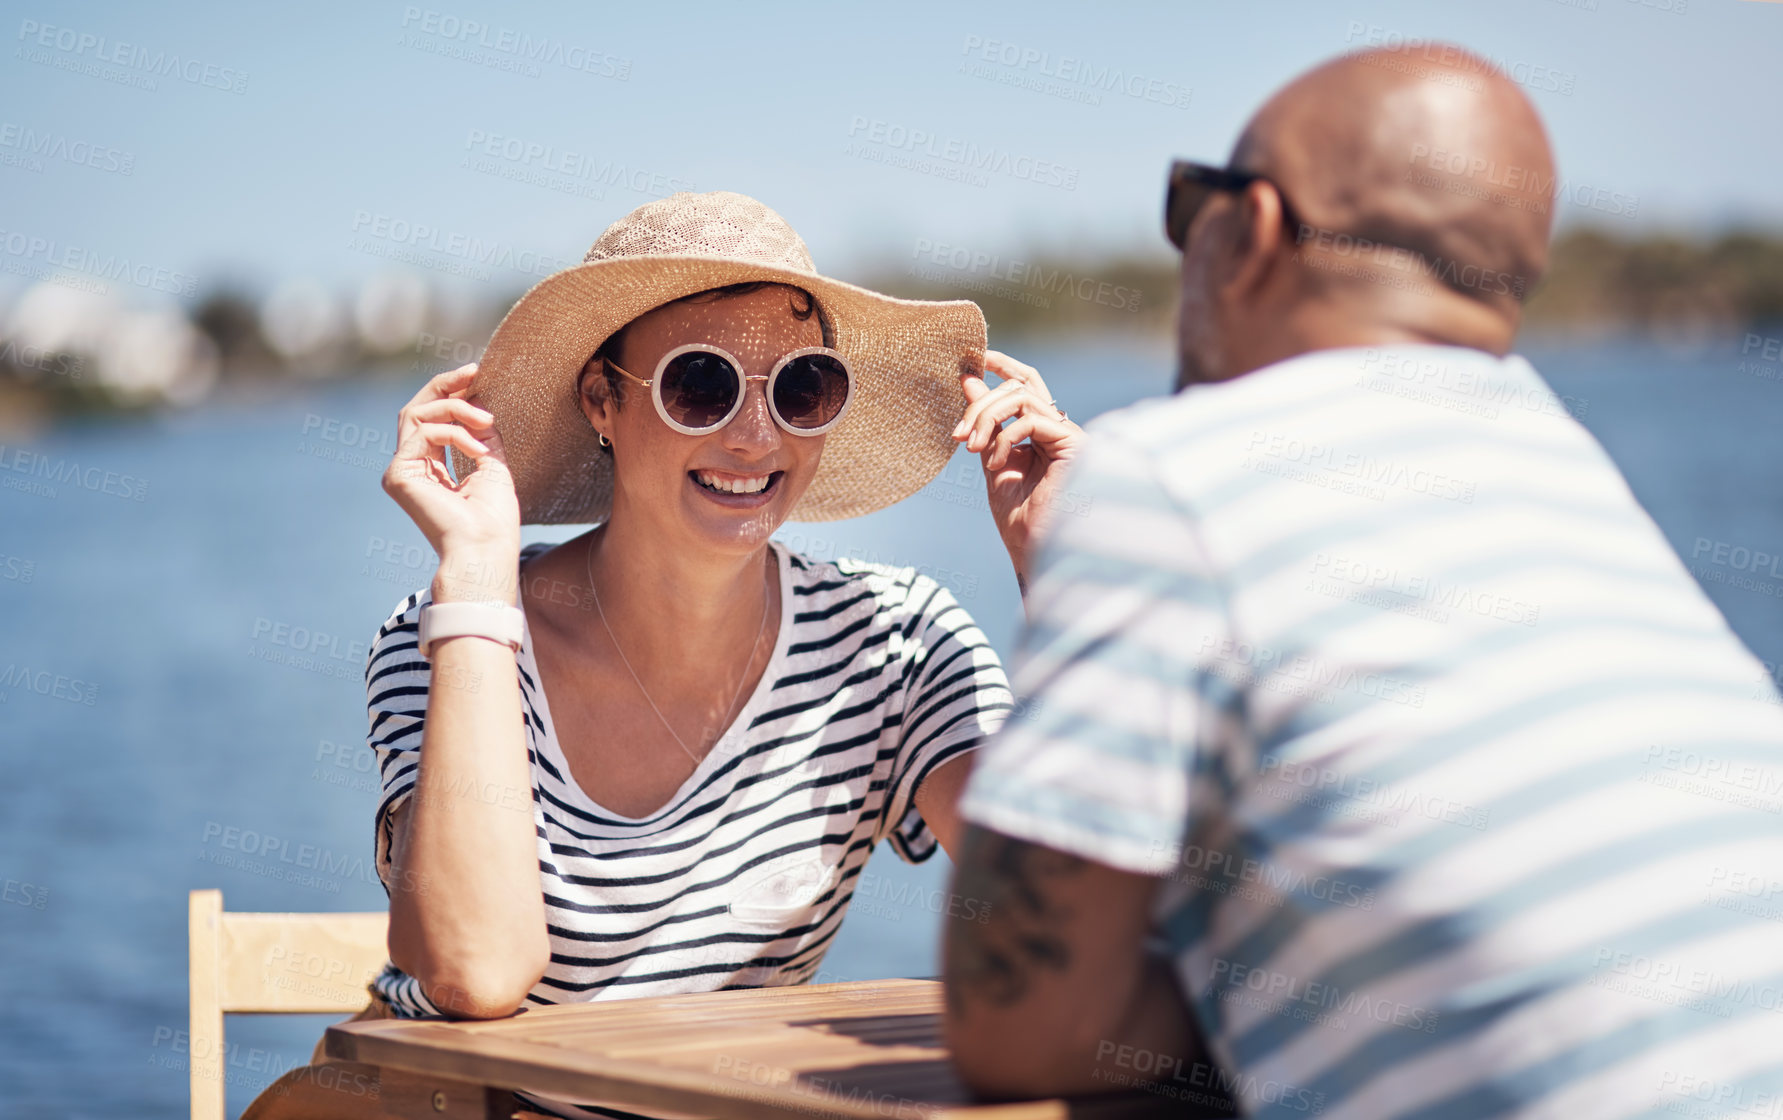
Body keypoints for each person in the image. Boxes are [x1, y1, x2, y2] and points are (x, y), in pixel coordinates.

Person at [941, 45, 1783, 1119]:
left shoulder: (1173, 466)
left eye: (1185, 206)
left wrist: (1283, 997)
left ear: (1243, 232)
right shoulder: (1568, 475)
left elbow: (1024, 1025)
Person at [243, 190, 1082, 1120]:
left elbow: (1073, 912)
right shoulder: (451, 635)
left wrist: (1069, 578)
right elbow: (475, 971)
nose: (757, 434)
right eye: (700, 385)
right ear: (602, 401)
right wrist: (477, 579)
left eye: (801, 387)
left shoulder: (895, 641)